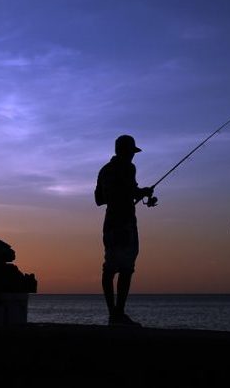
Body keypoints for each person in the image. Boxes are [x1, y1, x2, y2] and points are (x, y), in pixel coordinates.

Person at [94, 134, 157, 326]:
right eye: (132, 152)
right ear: (126, 151)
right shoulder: (128, 168)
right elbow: (130, 192)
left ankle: (113, 314)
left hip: (110, 223)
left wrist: (131, 194)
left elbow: (99, 200)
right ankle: (119, 314)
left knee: (110, 268)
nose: (133, 156)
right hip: (125, 222)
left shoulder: (104, 170)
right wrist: (143, 192)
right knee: (126, 268)